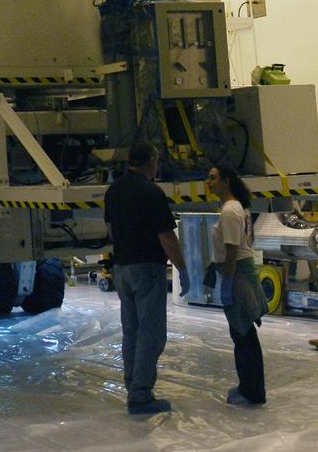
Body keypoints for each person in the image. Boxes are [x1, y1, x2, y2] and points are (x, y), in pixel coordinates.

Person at [104, 139, 190, 415]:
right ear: (151, 162)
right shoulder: (151, 193)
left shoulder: (113, 191)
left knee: (131, 331)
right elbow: (167, 237)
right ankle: (141, 395)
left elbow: (110, 229)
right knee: (151, 334)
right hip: (147, 269)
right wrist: (182, 269)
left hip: (122, 269)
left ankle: (133, 386)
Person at [206, 163, 267, 406]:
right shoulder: (236, 207)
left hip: (238, 273)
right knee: (243, 334)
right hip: (240, 271)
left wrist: (228, 281)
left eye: (212, 178)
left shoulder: (230, 211)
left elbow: (232, 249)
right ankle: (250, 387)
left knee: (243, 335)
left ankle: (252, 391)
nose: (208, 182)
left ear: (226, 180)